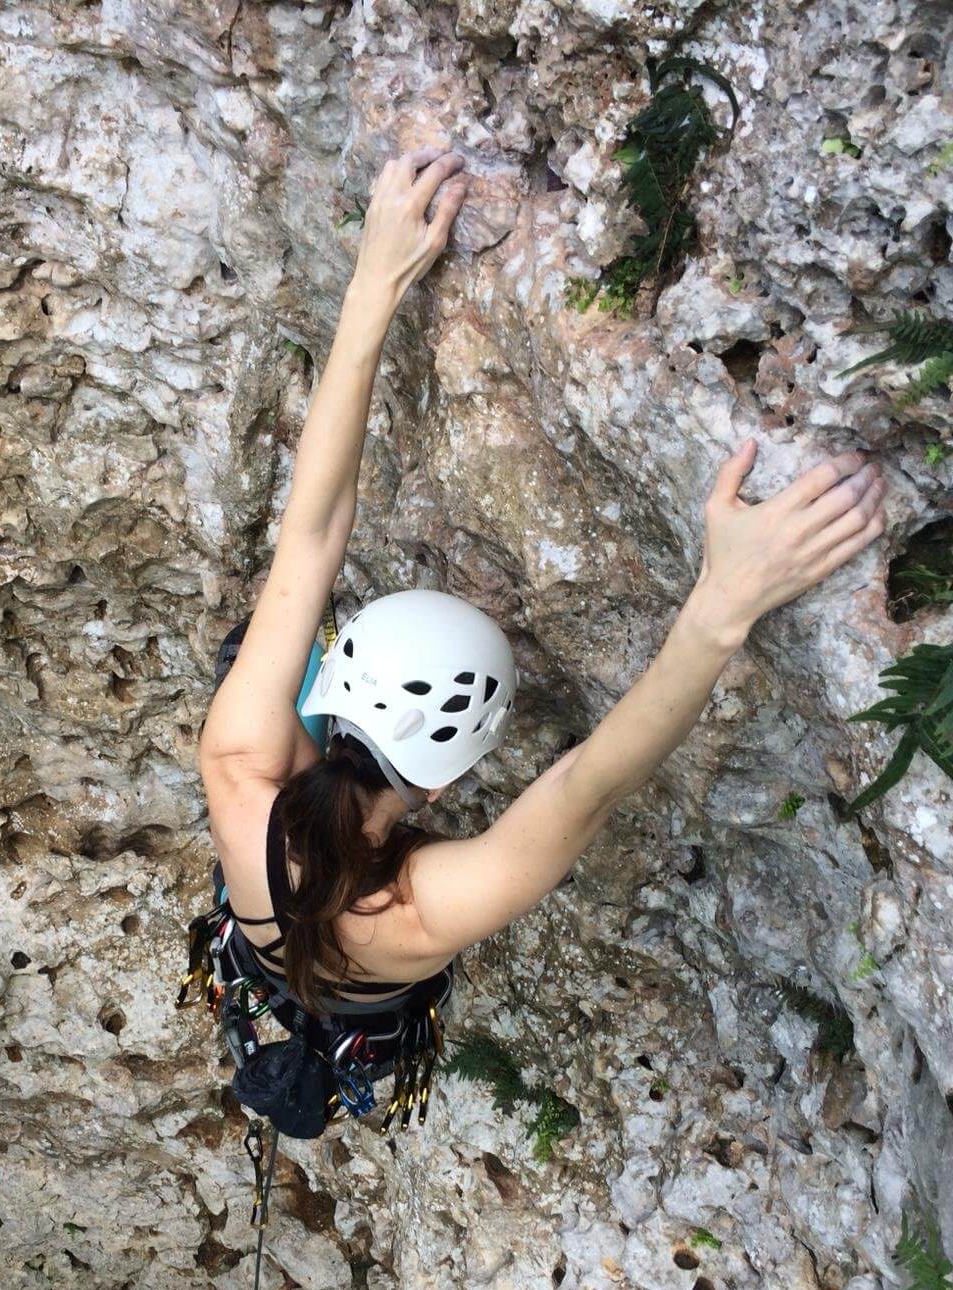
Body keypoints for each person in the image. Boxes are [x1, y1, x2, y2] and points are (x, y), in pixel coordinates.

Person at [195, 142, 889, 1116]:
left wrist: (374, 278)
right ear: (437, 778)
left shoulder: (239, 767)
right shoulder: (421, 912)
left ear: (332, 687)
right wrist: (727, 595)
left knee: (256, 650)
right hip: (320, 959)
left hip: (274, 926)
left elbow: (592, 779)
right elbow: (589, 773)